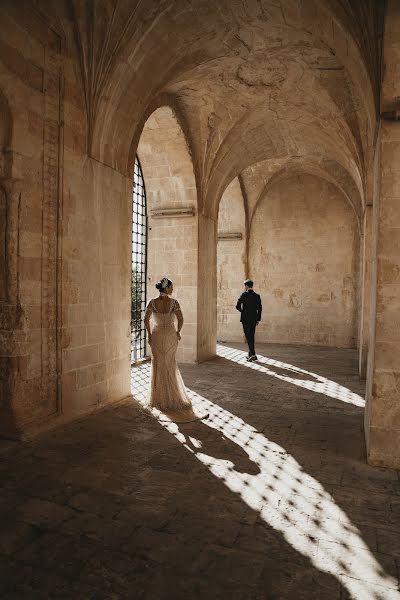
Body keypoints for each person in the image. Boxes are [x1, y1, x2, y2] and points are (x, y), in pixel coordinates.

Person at [144, 277, 207, 423]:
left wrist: (149, 334)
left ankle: (158, 398)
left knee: (158, 364)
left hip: (157, 335)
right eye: (171, 287)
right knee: (170, 364)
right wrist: (178, 332)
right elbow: (181, 318)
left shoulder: (152, 302)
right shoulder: (174, 303)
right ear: (166, 288)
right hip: (171, 336)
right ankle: (172, 397)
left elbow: (146, 319)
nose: (172, 289)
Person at [236, 279, 262, 361]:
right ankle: (251, 354)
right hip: (254, 319)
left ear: (246, 286)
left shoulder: (243, 295)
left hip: (245, 319)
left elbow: (237, 306)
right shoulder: (257, 296)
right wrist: (258, 319)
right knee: (252, 336)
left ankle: (253, 354)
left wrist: (242, 312)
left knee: (248, 336)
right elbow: (260, 309)